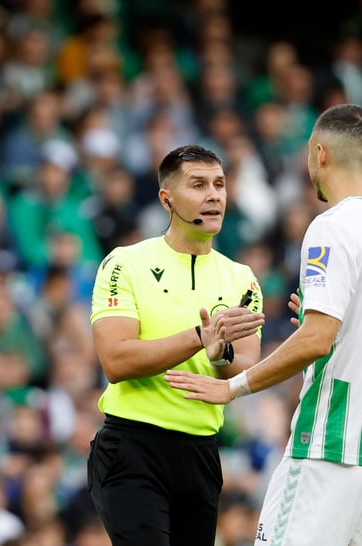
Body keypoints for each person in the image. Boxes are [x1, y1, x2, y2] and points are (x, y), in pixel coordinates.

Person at [165, 104, 362, 545]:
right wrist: (341, 324)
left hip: (330, 448)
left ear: (319, 154)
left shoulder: (331, 227)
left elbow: (316, 340)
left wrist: (231, 387)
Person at [87, 144, 266, 545]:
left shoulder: (242, 279)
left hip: (201, 452)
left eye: (219, 184)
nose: (214, 195)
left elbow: (246, 369)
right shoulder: (124, 263)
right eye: (198, 185)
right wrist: (199, 338)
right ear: (167, 199)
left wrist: (222, 354)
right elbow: (116, 361)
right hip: (133, 446)